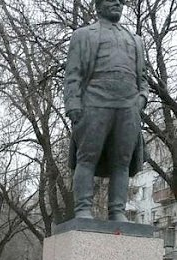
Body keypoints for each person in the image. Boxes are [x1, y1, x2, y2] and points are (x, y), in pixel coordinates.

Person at [64, 0, 148, 221]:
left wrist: (141, 100)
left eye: (121, 2)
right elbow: (73, 73)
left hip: (128, 107)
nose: (118, 4)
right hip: (94, 103)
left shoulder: (136, 40)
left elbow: (143, 78)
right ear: (98, 6)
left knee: (122, 161)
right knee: (87, 157)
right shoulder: (83, 35)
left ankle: (117, 211)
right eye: (112, 0)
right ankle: (83, 208)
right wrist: (73, 103)